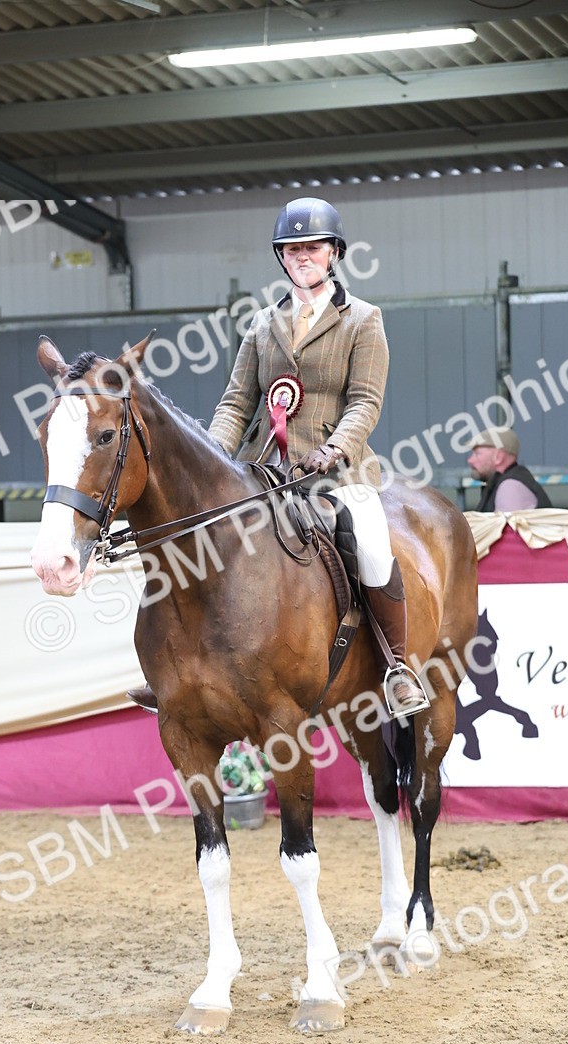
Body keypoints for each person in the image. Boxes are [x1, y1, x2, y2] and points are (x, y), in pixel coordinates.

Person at [129, 196, 428, 718]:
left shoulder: (363, 320)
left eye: (312, 247)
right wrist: (211, 458)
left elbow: (365, 401)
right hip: (261, 469)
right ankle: (175, 667)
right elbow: (236, 403)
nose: (302, 256)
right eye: (292, 249)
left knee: (372, 546)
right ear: (281, 258)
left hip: (336, 472)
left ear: (334, 253)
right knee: (193, 539)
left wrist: (334, 449)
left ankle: (396, 667)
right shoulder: (263, 323)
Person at [467, 428, 551, 512]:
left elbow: (507, 520)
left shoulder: (510, 487)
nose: (470, 460)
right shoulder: (511, 482)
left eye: (477, 454)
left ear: (498, 457)